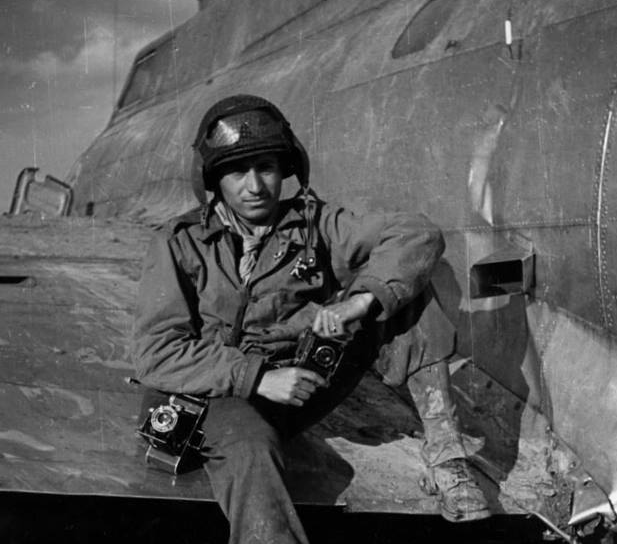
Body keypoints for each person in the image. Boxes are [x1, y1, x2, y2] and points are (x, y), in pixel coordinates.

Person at [132, 94, 490, 544]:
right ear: (214, 180)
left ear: (285, 170)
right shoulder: (179, 243)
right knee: (250, 449)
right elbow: (155, 353)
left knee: (403, 293)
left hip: (295, 384)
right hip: (217, 395)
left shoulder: (313, 224)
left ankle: (447, 456)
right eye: (238, 171)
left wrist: (359, 302)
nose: (255, 186)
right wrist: (256, 378)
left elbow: (417, 234)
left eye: (266, 167)